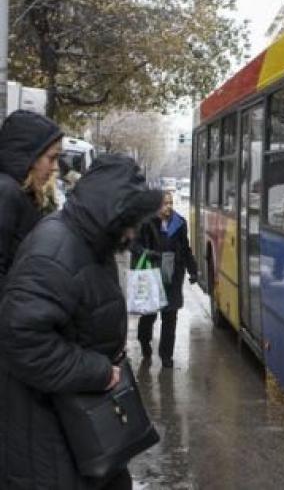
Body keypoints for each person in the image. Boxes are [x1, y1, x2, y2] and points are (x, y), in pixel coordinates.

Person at [0, 154, 163, 490]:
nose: (132, 233)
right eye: (130, 222)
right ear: (111, 212)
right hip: (51, 447)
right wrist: (98, 372)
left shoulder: (88, 243)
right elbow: (21, 337)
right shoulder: (55, 251)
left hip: (75, 434)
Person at [0, 109, 63, 292]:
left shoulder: (21, 193)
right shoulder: (7, 192)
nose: (55, 168)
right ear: (29, 156)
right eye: (51, 158)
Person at [135, 191, 198, 368]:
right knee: (149, 315)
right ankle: (144, 340)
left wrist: (193, 270)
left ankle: (166, 355)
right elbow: (135, 245)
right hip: (151, 274)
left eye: (170, 203)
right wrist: (149, 254)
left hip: (173, 276)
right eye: (165, 203)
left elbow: (185, 249)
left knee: (170, 317)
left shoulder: (179, 223)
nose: (168, 207)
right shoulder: (146, 223)